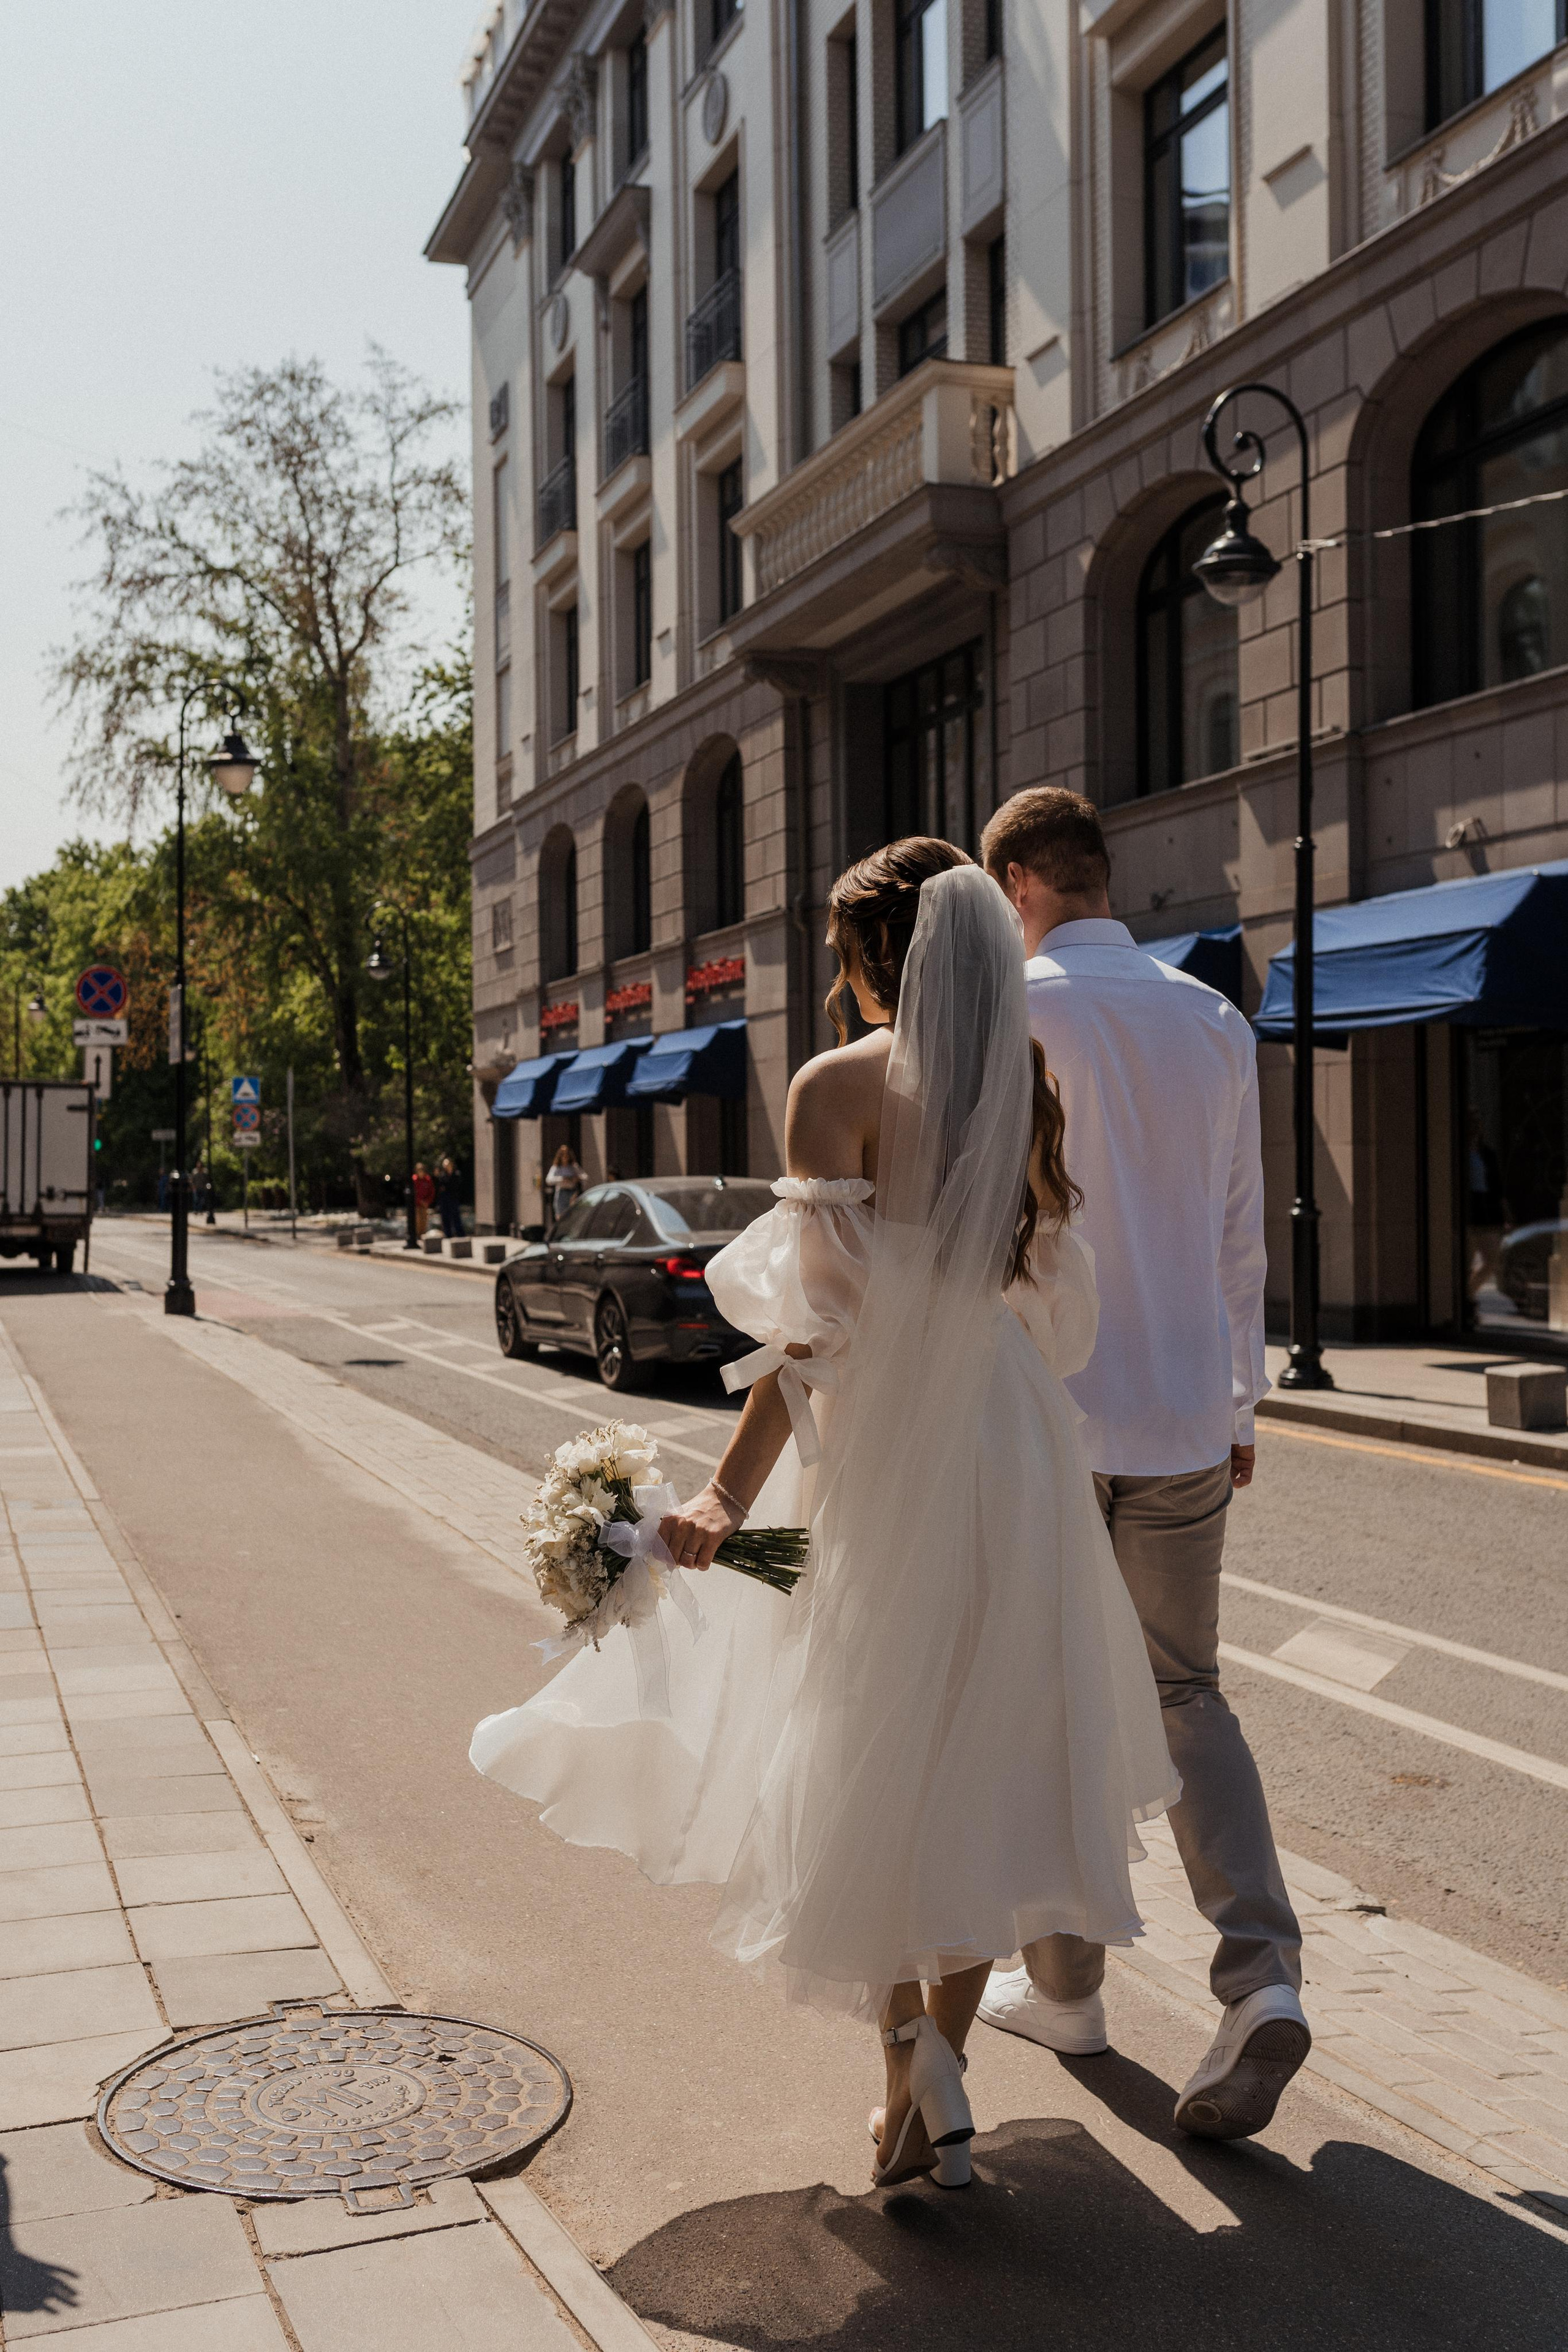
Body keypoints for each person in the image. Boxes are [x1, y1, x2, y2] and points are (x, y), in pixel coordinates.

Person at [472, 842, 1177, 2190]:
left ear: (873, 958)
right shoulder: (1021, 1083)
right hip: (1013, 1451)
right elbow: (1047, 1298)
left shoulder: (837, 1090)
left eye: (844, 956)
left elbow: (807, 1342)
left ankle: (906, 2055)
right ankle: (927, 2104)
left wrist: (727, 1497)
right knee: (981, 1755)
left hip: (881, 1466)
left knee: (861, 1743)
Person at [979, 785, 1309, 2141]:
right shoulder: (1212, 1018)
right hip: (1183, 1413)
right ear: (1101, 878)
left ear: (1016, 891)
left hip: (1046, 1412)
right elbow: (1240, 1230)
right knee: (1186, 1693)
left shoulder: (1016, 1011)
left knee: (1053, 1700)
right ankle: (1260, 1973)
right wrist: (1239, 1402)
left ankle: (1065, 1992)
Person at [545, 1143, 584, 1230]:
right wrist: (562, 1179)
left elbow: (585, 1177)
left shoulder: (573, 1167)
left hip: (573, 1193)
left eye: (566, 1154)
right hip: (562, 1193)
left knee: (573, 1216)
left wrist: (576, 1179)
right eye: (563, 1154)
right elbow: (549, 1180)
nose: (565, 1157)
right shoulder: (557, 1167)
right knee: (561, 1217)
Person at [436, 1155, 464, 1240]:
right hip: (445, 1199)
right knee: (445, 1216)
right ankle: (448, 1234)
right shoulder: (442, 1175)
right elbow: (440, 1187)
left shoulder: (456, 1174)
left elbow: (456, 1186)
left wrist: (447, 1187)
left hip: (454, 1198)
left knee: (456, 1216)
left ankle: (460, 1234)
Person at [411, 1162, 435, 1240]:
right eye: (419, 1171)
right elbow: (413, 1193)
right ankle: (417, 1235)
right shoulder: (414, 1180)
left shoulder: (428, 1180)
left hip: (425, 1204)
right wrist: (420, 1201)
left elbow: (432, 1192)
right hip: (417, 1204)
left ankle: (422, 1235)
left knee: (424, 1220)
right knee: (417, 1220)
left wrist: (427, 1202)